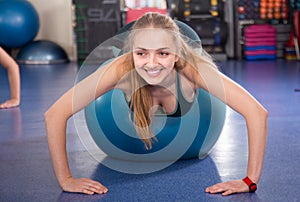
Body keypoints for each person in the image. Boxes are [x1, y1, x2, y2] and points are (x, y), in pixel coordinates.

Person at [45, 12, 268, 196]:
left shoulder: (193, 70)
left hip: (185, 51)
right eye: (142, 53)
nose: (152, 63)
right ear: (132, 54)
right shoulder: (120, 70)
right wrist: (66, 180)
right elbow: (55, 114)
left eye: (162, 53)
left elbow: (257, 113)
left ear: (176, 55)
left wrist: (249, 180)